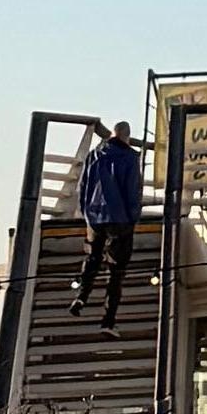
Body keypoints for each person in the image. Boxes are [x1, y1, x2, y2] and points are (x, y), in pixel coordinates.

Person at [69, 120, 146, 325]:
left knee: (93, 258)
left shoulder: (93, 155)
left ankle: (81, 297)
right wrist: (133, 217)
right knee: (116, 270)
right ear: (126, 137)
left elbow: (83, 185)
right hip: (120, 218)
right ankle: (109, 318)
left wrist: (86, 212)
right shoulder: (130, 157)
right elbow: (132, 191)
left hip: (94, 216)